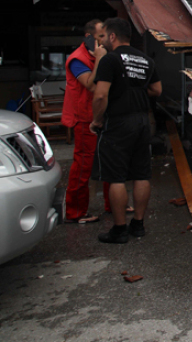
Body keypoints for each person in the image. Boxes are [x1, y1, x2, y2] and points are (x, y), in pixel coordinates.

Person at [90, 18, 162, 244]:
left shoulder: (110, 60)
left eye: (104, 37)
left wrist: (97, 120)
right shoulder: (145, 60)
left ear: (112, 36)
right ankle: (138, 225)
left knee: (116, 177)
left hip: (119, 122)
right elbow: (157, 90)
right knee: (141, 174)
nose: (102, 41)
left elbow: (100, 95)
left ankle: (120, 230)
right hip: (142, 121)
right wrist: (135, 92)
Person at [60, 19, 109, 223]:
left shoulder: (100, 54)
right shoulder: (77, 59)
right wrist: (100, 59)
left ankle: (113, 203)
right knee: (83, 165)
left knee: (109, 159)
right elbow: (90, 84)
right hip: (83, 118)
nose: (104, 40)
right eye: (100, 36)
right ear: (89, 38)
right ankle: (76, 212)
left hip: (102, 115)